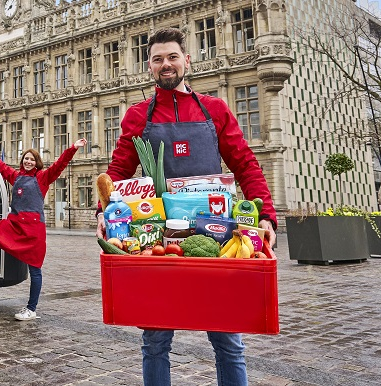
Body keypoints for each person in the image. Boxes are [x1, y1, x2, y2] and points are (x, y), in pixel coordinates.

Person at [96, 27, 278, 386]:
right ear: (149, 66)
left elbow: (245, 164)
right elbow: (117, 172)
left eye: (172, 57)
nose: (166, 65)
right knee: (155, 340)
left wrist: (267, 216)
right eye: (158, 59)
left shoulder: (215, 110)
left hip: (217, 233)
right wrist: (103, 213)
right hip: (158, 237)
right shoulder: (137, 116)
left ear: (186, 60)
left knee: (228, 340)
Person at [0, 138, 87, 321]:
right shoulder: (16, 176)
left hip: (33, 230)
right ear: (22, 161)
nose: (28, 161)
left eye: (32, 159)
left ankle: (31, 308)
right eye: (26, 158)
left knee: (35, 269)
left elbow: (60, 165)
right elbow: (1, 167)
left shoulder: (43, 177)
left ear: (37, 163)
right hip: (14, 225)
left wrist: (73, 148)